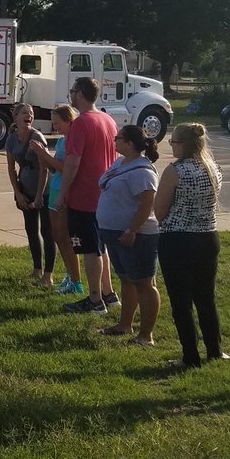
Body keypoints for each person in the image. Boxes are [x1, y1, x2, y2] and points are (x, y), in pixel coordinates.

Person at [156, 122, 228, 369]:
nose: (171, 145)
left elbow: (160, 209)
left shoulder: (175, 170)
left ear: (184, 145)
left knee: (181, 301)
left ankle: (190, 355)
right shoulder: (213, 168)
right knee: (206, 297)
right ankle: (215, 349)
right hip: (207, 237)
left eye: (174, 141)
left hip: (177, 239)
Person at [93, 125, 161, 345]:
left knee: (144, 283)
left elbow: (147, 202)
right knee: (126, 279)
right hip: (114, 233)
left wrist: (132, 229)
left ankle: (146, 335)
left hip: (137, 236)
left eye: (118, 138)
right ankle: (125, 325)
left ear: (130, 143)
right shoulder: (120, 162)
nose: (115, 141)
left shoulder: (142, 171)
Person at [60, 77, 120, 314]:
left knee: (88, 249)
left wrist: (62, 193)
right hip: (103, 195)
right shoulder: (107, 119)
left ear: (80, 94)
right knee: (99, 247)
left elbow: (72, 163)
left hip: (84, 196)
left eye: (72, 91)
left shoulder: (81, 123)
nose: (71, 95)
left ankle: (95, 300)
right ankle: (108, 293)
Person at [31, 105, 83, 295]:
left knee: (66, 237)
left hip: (65, 192)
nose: (55, 126)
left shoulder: (73, 142)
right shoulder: (61, 142)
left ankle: (76, 280)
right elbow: (54, 169)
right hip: (54, 188)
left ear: (69, 121)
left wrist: (43, 154)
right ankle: (70, 275)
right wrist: (43, 158)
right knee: (57, 235)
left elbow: (64, 168)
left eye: (57, 122)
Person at [6, 103, 53, 286]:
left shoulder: (37, 137)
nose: (29, 116)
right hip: (25, 188)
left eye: (31, 113)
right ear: (16, 117)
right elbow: (10, 168)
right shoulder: (11, 139)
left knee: (47, 232)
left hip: (43, 190)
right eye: (25, 113)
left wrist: (40, 195)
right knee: (31, 230)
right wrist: (18, 192)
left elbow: (45, 169)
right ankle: (36, 269)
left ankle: (48, 275)